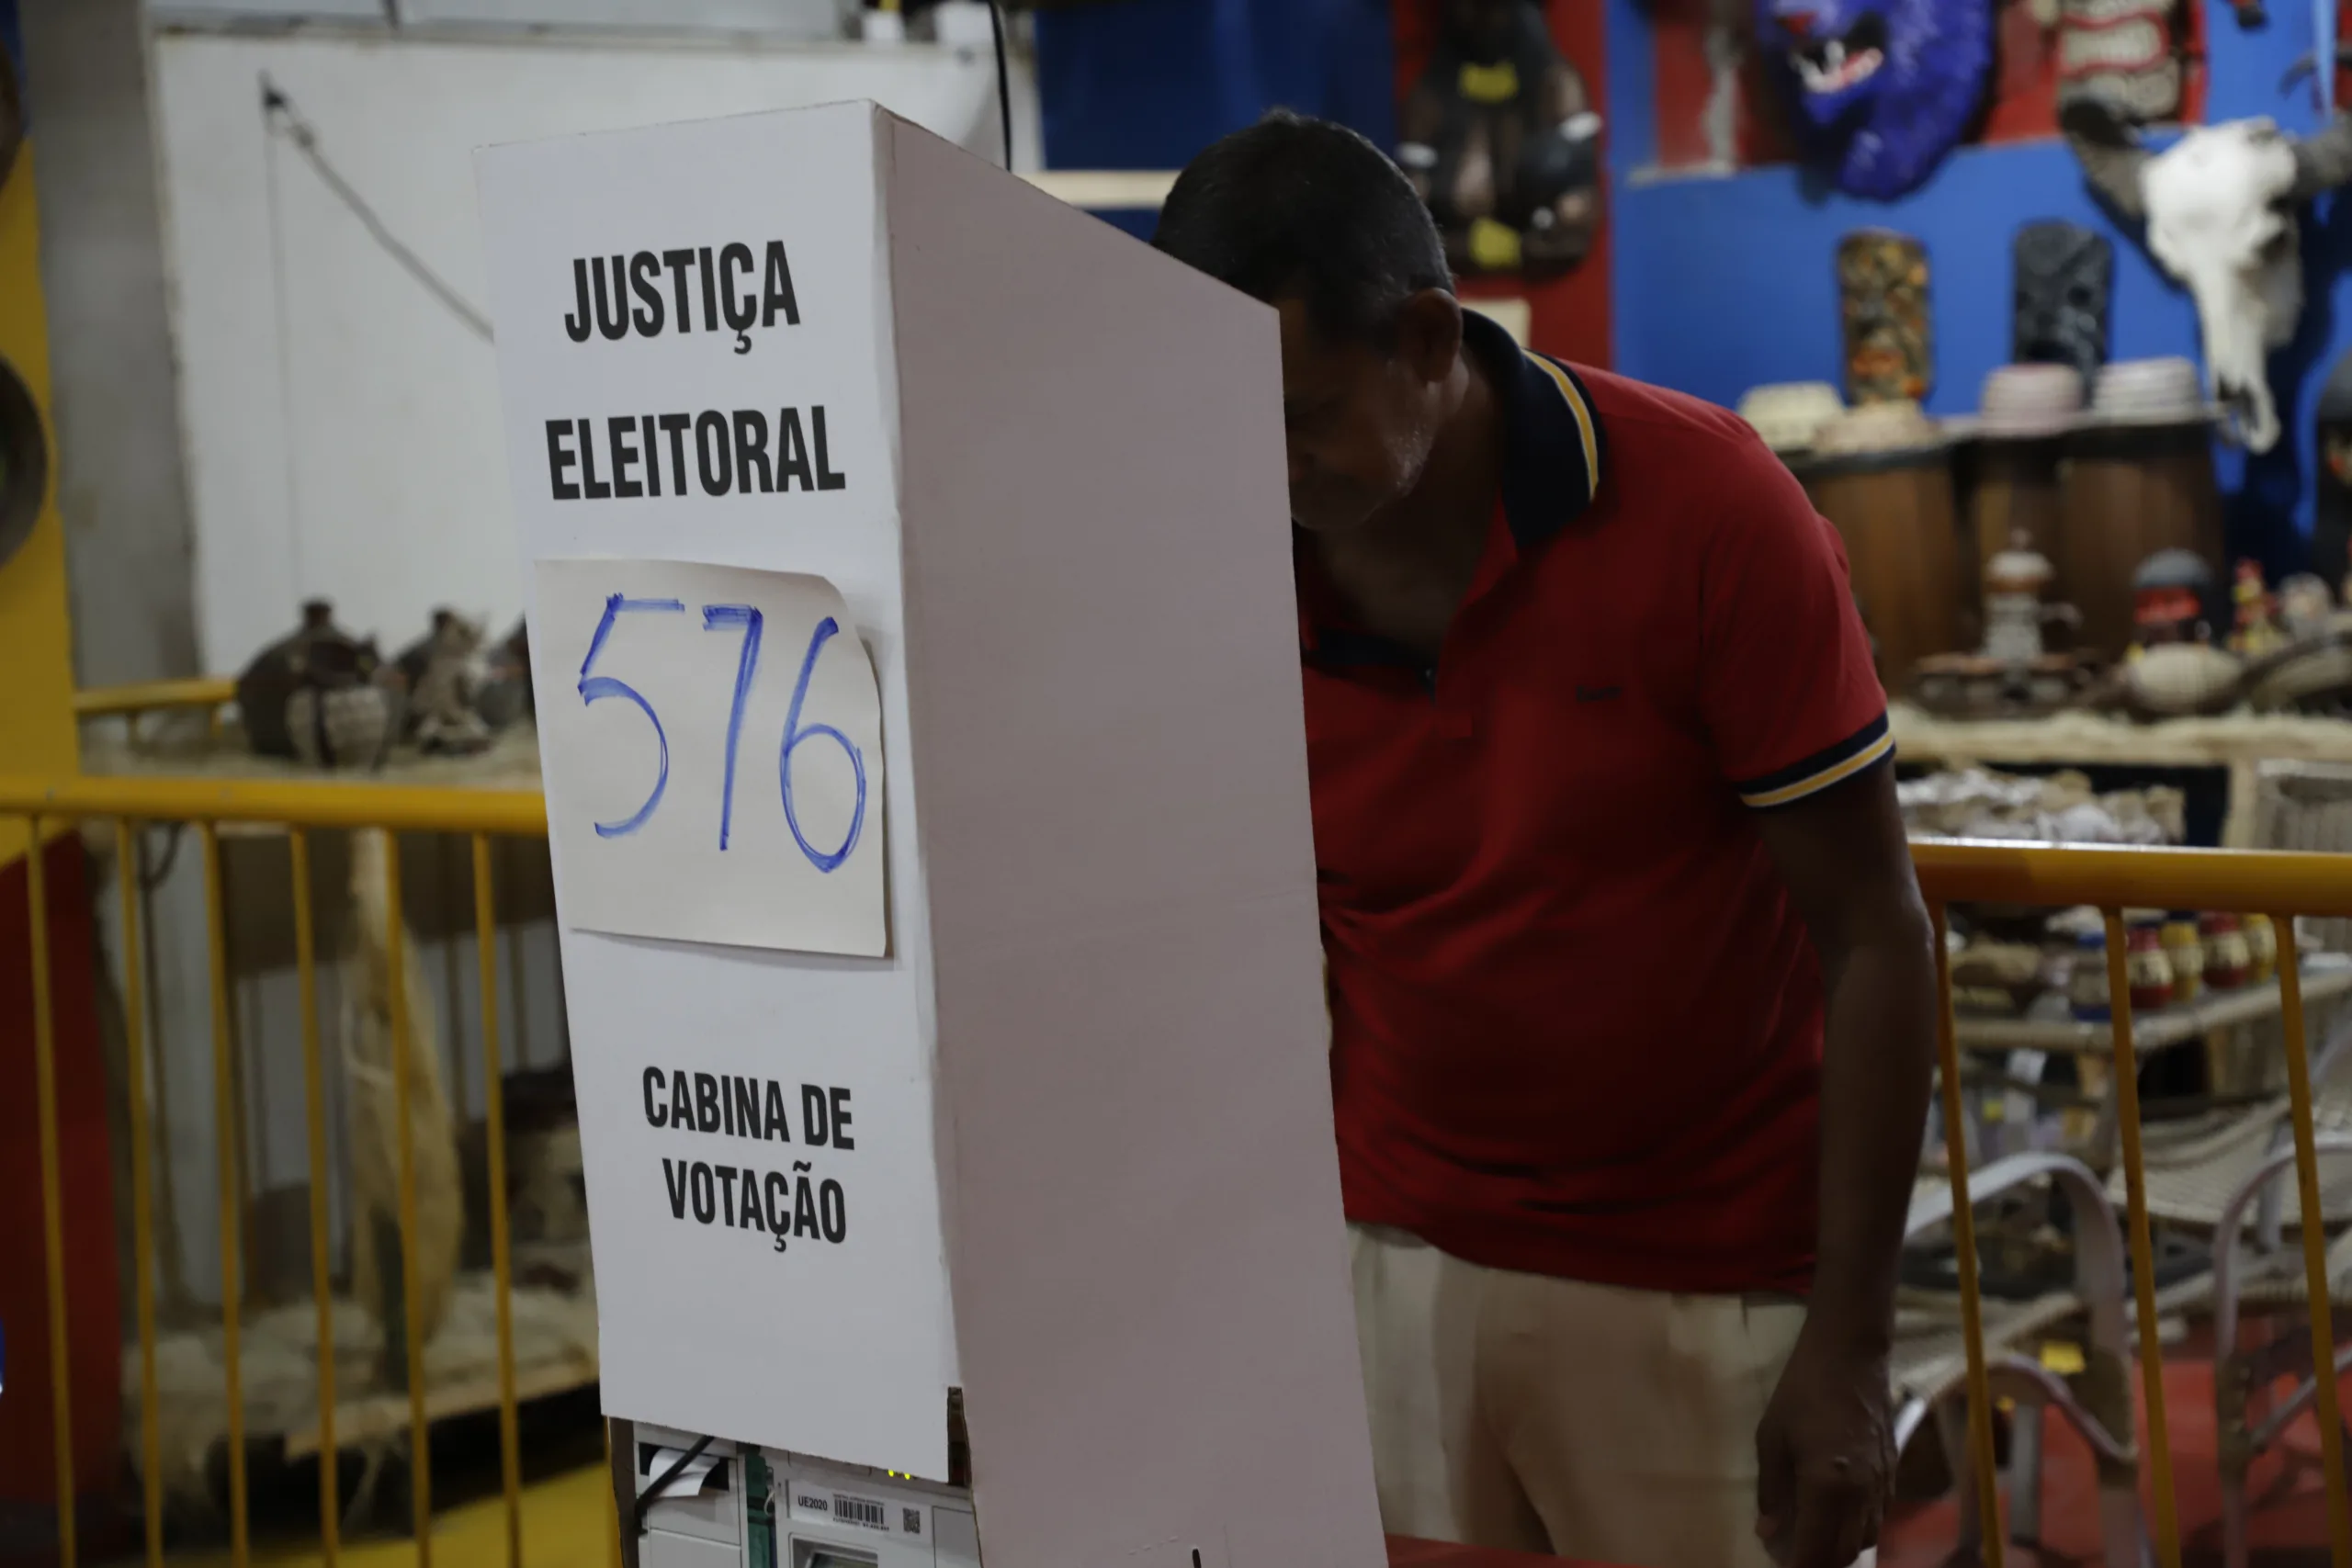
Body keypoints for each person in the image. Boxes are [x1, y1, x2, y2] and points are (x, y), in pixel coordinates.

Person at [1152, 113, 1938, 1568]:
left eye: (1298, 416)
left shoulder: (1708, 509)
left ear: (1434, 340)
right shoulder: (1216, 559)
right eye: (1213, 426)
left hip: (1704, 1284)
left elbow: (1875, 932)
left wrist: (1851, 1342)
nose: (1257, 471)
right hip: (1395, 1264)